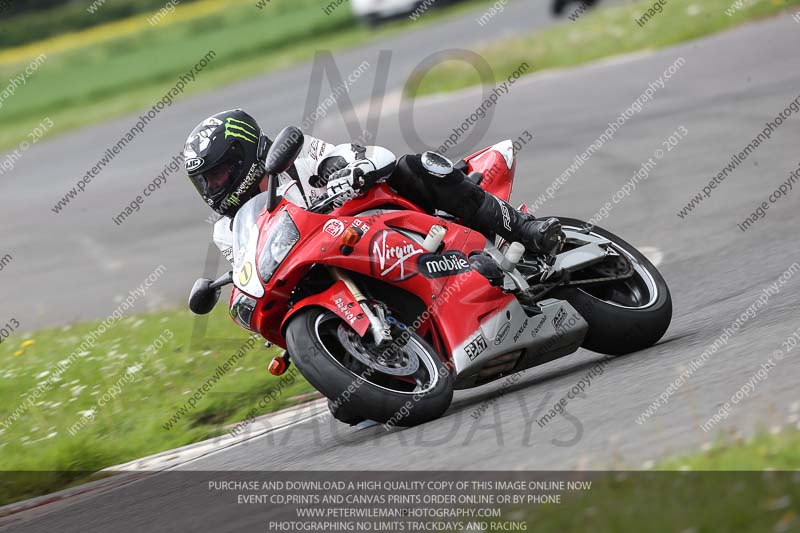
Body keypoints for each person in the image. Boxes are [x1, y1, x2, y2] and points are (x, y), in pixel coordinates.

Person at [183, 109, 563, 264]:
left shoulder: (296, 161)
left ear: (245, 156)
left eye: (218, 174)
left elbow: (364, 156)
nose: (214, 186)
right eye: (207, 181)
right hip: (334, 262)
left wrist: (353, 169)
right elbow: (251, 272)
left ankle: (522, 228)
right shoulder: (228, 230)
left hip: (387, 224)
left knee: (410, 167)